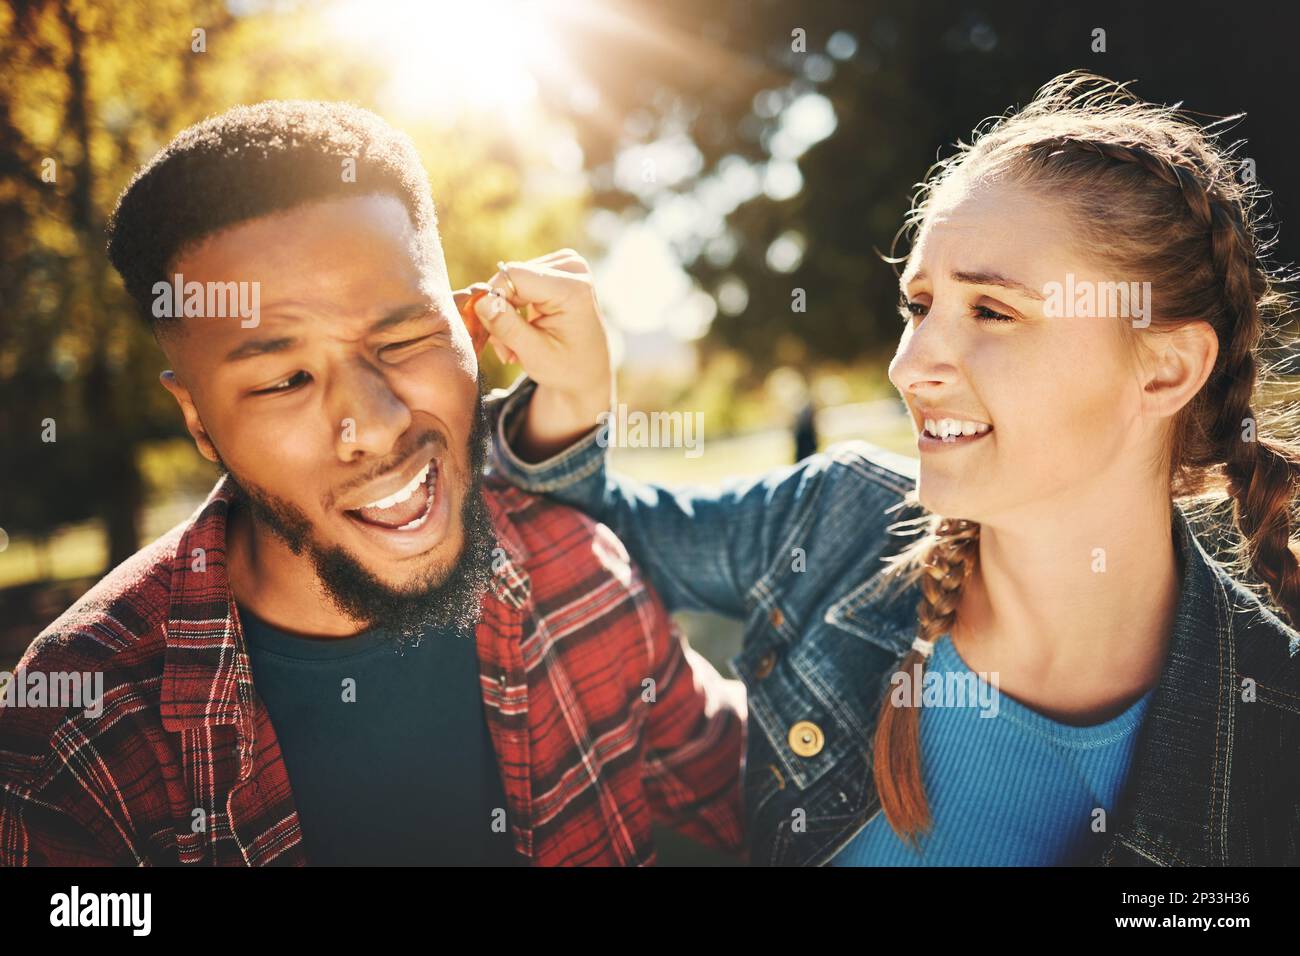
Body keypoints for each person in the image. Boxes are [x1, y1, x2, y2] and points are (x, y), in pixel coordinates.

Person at [470, 72, 1300, 865]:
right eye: (919, 305)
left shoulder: (1276, 735)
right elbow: (571, 538)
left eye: (993, 310)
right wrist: (577, 393)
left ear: (1165, 370)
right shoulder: (831, 522)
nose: (910, 365)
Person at [0, 101, 745, 866]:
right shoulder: (75, 735)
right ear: (198, 420)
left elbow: (771, 798)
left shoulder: (578, 571)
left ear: (470, 330)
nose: (378, 424)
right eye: (287, 378)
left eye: (403, 338)